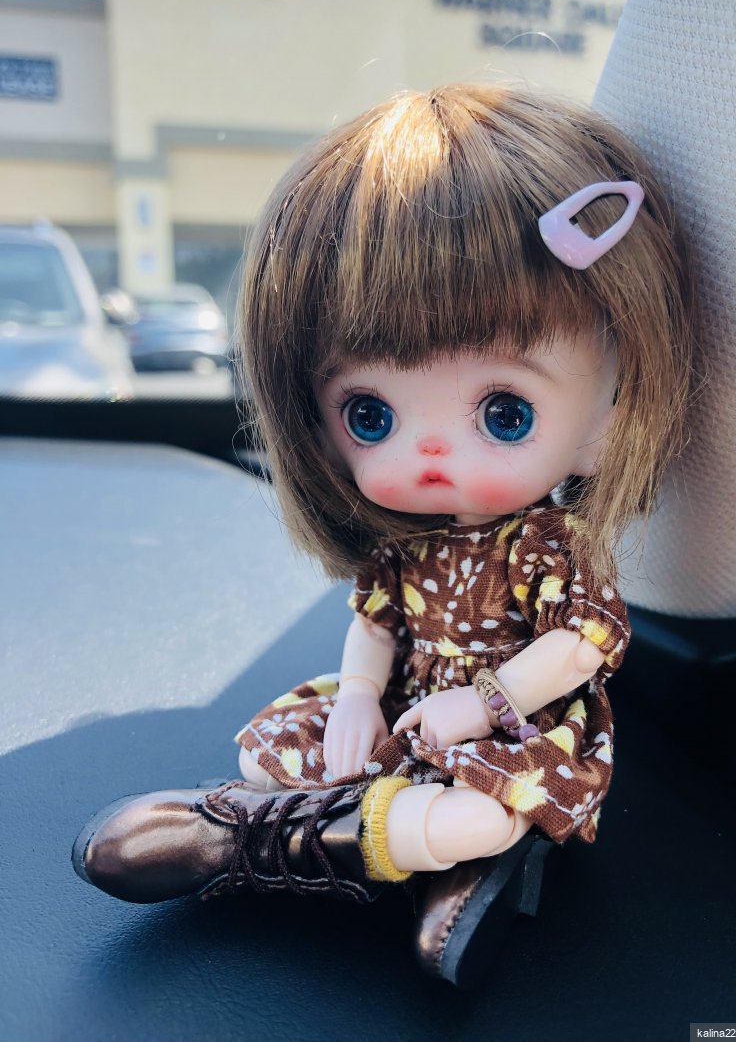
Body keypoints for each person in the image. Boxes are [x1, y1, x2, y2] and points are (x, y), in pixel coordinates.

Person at [72, 84, 694, 984]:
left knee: (481, 810)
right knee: (267, 745)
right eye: (370, 414)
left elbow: (578, 646)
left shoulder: (546, 547)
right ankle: (396, 845)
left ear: (606, 420)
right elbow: (375, 624)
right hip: (408, 700)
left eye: (505, 412)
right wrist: (361, 697)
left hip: (512, 724)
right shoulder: (406, 551)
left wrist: (482, 705)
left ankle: (266, 840)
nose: (430, 454)